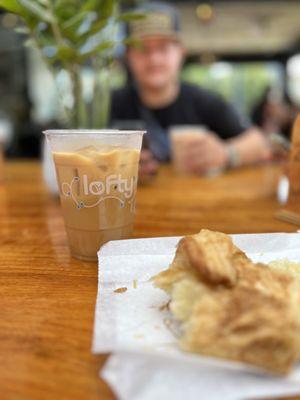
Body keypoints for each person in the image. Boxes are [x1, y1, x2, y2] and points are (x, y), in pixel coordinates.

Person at [110, 2, 271, 181]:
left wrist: (225, 153)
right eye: (142, 49)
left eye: (163, 48)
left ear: (181, 52)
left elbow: (259, 142)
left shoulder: (205, 101)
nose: (154, 59)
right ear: (128, 56)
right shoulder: (109, 104)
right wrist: (111, 167)